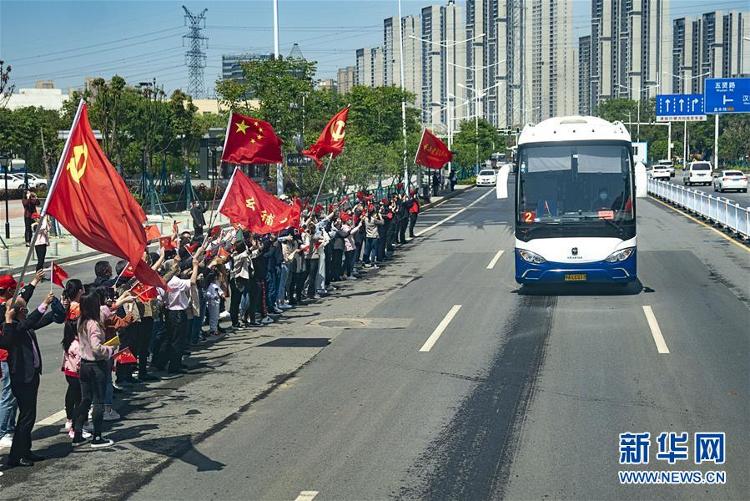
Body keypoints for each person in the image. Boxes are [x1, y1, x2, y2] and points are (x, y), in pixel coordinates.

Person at [0, 291, 61, 467]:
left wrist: (56, 310)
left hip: (32, 374)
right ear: (18, 312)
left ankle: (25, 450)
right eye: (25, 310)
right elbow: (9, 339)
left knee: (29, 416)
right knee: (25, 417)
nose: (27, 312)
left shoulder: (23, 324)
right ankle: (16, 455)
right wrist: (44, 303)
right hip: (22, 377)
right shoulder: (12, 327)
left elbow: (38, 321)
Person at [0, 270, 44, 452]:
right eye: (14, 290)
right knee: (8, 396)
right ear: (7, 291)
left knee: (16, 400)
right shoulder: (4, 311)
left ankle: (10, 430)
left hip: (15, 359)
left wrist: (34, 282)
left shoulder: (10, 306)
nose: (17, 293)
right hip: (6, 358)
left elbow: (22, 299)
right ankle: (4, 431)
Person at [72, 292, 119, 448]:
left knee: (85, 400)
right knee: (98, 400)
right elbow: (96, 347)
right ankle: (97, 436)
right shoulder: (94, 324)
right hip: (96, 365)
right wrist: (110, 350)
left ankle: (77, 433)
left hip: (84, 364)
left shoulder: (81, 321)